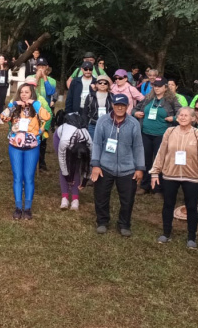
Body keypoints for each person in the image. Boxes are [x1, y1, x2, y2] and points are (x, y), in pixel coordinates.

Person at [150, 107, 198, 249]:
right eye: (180, 115)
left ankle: (191, 237)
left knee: (192, 207)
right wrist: (155, 172)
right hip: (170, 175)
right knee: (168, 204)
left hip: (191, 177)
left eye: (186, 115)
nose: (183, 117)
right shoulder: (170, 132)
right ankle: (166, 233)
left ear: (193, 118)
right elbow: (161, 152)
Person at [90, 94, 145, 237]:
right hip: (105, 166)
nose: (120, 107)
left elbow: (138, 147)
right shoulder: (102, 121)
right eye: (117, 105)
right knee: (101, 196)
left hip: (128, 168)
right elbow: (96, 144)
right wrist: (96, 164)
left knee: (127, 199)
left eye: (123, 105)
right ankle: (102, 221)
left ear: (127, 107)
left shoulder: (134, 124)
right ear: (112, 106)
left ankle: (124, 224)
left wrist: (139, 167)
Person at [2, 83, 51, 219]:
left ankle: (27, 208)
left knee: (29, 178)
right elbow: (3, 117)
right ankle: (18, 207)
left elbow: (47, 117)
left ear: (31, 94)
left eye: (27, 92)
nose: (24, 94)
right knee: (18, 177)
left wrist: (35, 103)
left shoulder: (36, 109)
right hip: (15, 148)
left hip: (32, 148)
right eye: (21, 92)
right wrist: (12, 105)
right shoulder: (15, 109)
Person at [132, 78, 182, 194]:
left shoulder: (171, 100)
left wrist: (173, 118)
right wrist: (136, 113)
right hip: (145, 133)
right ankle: (145, 185)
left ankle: (158, 187)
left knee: (160, 161)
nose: (157, 88)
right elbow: (135, 109)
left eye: (159, 86)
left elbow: (182, 113)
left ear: (165, 87)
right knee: (146, 160)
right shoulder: (148, 98)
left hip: (162, 135)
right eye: (155, 86)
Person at [54, 112, 91, 210]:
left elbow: (89, 164)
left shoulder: (90, 143)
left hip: (76, 144)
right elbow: (61, 160)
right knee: (66, 165)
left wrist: (85, 181)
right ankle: (65, 198)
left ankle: (75, 199)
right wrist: (67, 176)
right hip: (59, 136)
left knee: (76, 168)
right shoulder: (64, 141)